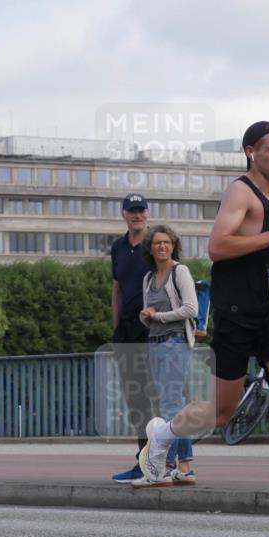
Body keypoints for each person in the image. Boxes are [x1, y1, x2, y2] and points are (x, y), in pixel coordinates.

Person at [133, 121, 269, 537]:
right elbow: (218, 246)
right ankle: (163, 435)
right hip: (238, 313)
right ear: (252, 152)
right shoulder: (239, 192)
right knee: (220, 412)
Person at [137, 225, 199, 486]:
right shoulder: (149, 279)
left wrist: (158, 316)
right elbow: (148, 314)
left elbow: (191, 309)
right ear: (150, 248)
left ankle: (164, 467)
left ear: (173, 246)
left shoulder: (179, 271)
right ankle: (184, 468)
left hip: (175, 342)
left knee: (170, 405)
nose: (162, 246)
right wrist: (146, 317)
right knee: (173, 405)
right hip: (155, 342)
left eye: (167, 242)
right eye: (157, 243)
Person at [109, 194, 159, 483]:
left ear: (148, 214)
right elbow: (116, 289)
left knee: (159, 396)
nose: (137, 215)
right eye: (132, 211)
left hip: (154, 330)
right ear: (124, 215)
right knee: (135, 398)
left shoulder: (157, 244)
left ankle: (169, 461)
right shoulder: (117, 247)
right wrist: (116, 328)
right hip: (127, 331)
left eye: (141, 211)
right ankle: (143, 460)